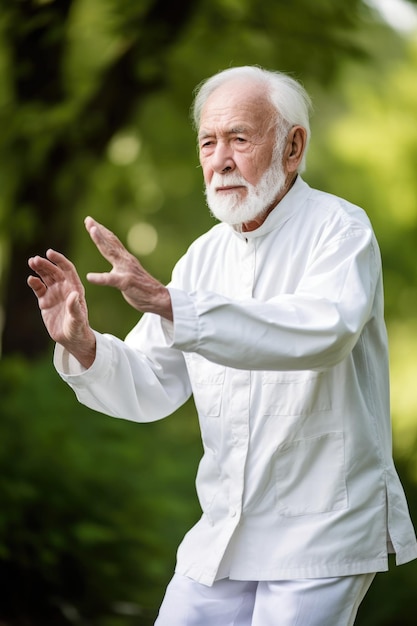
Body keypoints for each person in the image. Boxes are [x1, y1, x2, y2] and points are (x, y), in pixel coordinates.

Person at [28, 66, 417, 626]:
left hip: (320, 530)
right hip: (223, 531)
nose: (220, 159)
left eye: (239, 138)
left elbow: (321, 331)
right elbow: (151, 384)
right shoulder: (202, 256)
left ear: (293, 146)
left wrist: (171, 304)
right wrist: (84, 344)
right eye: (208, 142)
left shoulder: (342, 230)